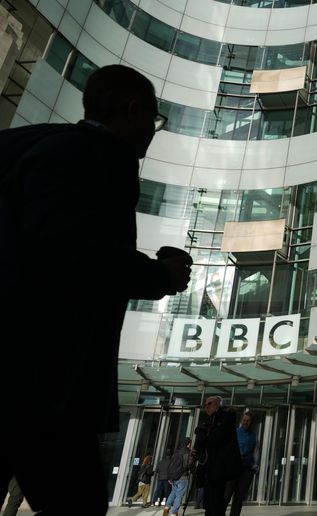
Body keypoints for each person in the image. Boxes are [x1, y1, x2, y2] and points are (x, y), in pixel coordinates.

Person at [0, 64, 192, 514]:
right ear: (132, 111)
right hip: (40, 377)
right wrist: (159, 276)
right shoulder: (91, 156)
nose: (152, 131)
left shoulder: (33, 147)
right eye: (155, 119)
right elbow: (75, 252)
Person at [194, 396, 242, 516]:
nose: (207, 407)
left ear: (217, 404)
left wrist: (204, 437)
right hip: (211, 467)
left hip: (219, 467)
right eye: (205, 405)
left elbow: (215, 439)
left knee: (216, 499)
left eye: (209, 404)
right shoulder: (212, 420)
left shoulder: (225, 418)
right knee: (210, 500)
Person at [224, 412, 260, 516]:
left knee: (239, 498)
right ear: (241, 421)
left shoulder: (254, 436)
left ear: (251, 422)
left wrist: (255, 467)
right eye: (244, 420)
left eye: (248, 421)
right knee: (226, 496)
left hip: (246, 470)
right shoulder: (234, 433)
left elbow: (256, 453)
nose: (246, 422)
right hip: (233, 468)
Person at [163, 439, 192, 516]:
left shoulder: (176, 452)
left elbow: (171, 465)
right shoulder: (188, 453)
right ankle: (174, 512)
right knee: (179, 495)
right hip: (183, 476)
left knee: (173, 493)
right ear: (188, 444)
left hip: (174, 477)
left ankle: (166, 509)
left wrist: (170, 477)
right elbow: (189, 465)